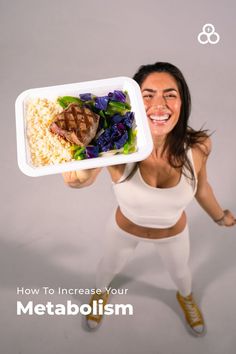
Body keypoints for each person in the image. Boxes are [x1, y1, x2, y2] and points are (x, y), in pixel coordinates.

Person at [62, 62, 235, 336]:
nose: (159, 105)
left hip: (173, 234)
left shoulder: (199, 145)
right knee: (107, 268)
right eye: (148, 95)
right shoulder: (118, 145)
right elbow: (79, 180)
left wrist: (219, 216)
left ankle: (186, 299)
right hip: (123, 229)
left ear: (182, 102)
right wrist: (83, 157)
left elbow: (202, 188)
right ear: (134, 101)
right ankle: (99, 295)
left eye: (170, 94)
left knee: (182, 277)